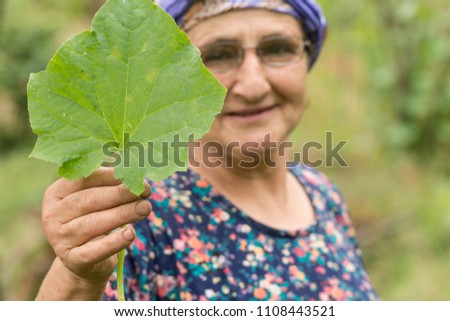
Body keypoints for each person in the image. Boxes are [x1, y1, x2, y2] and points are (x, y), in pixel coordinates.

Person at [36, 0, 379, 301]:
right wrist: (77, 278)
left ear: (308, 55)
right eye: (217, 55)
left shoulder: (322, 195)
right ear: (166, 78)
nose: (254, 84)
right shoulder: (140, 212)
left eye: (277, 49)